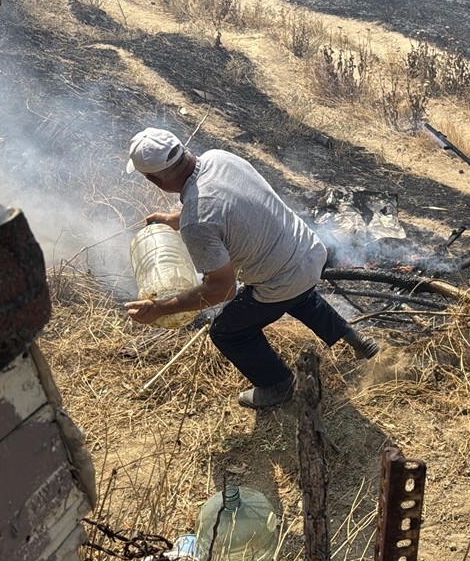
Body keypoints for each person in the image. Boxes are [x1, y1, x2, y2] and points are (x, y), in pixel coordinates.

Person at [123, 127, 380, 408]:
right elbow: (221, 203)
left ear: (154, 179)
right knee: (298, 293)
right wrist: (176, 219)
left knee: (227, 331)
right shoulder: (219, 158)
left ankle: (279, 385)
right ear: (183, 150)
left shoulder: (197, 223)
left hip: (284, 276)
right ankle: (354, 338)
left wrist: (161, 308)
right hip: (309, 250)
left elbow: (222, 289)